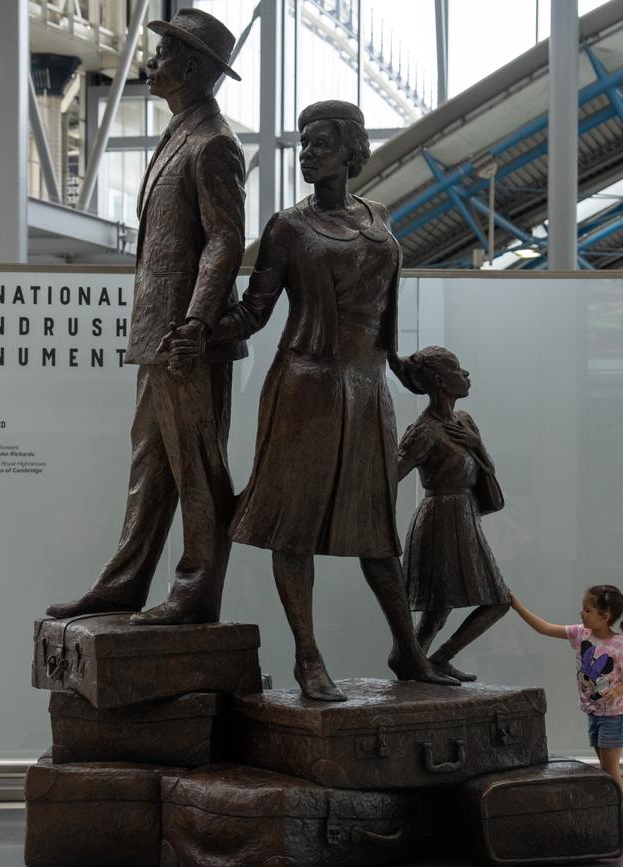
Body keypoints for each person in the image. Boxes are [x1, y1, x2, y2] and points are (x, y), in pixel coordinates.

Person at [170, 100, 459, 700]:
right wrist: (201, 327)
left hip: (369, 387)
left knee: (378, 530)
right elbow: (255, 311)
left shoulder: (377, 217)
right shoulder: (287, 227)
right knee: (293, 527)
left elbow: (386, 307)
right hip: (306, 387)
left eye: (321, 143)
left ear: (352, 151)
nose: (308, 153)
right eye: (302, 144)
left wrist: (405, 368)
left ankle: (408, 652)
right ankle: (308, 657)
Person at [46, 9, 247, 626]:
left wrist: (195, 322)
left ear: (189, 68)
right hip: (158, 337)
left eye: (162, 56)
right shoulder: (182, 132)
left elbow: (224, 241)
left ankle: (195, 592)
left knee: (197, 468)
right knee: (150, 465)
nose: (151, 64)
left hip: (186, 340)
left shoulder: (213, 141)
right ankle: (125, 583)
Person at [390, 347, 511, 680]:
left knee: (473, 604)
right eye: (458, 370)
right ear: (441, 381)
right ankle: (416, 659)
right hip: (440, 520)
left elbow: (485, 469)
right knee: (441, 608)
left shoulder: (464, 421)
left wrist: (477, 444)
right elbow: (390, 476)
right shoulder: (424, 430)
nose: (466, 375)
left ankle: (427, 658)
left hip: (465, 516)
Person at [511, 586, 623, 844]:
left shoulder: (621, 646)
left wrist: (618, 691)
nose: (581, 613)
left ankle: (617, 821)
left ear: (605, 616)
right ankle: (607, 814)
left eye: (587, 609)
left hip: (614, 715)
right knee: (604, 771)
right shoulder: (581, 634)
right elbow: (545, 628)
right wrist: (516, 606)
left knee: (610, 770)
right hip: (595, 713)